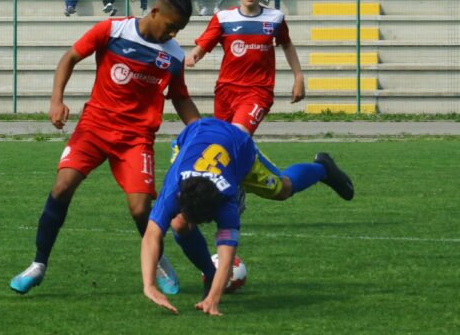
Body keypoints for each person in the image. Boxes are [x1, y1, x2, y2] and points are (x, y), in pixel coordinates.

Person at [9, 0, 201, 297]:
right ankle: (38, 264)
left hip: (136, 138)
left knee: (141, 209)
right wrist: (56, 100)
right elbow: (69, 57)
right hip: (95, 127)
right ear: (154, 12)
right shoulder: (113, 31)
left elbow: (180, 98)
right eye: (170, 26)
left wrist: (203, 130)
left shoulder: (174, 57)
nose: (173, 34)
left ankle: (160, 261)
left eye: (179, 29)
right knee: (61, 187)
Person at [141, 117, 354, 316]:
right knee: (178, 224)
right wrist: (149, 285)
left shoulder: (226, 202)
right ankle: (209, 275)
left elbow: (226, 256)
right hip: (194, 135)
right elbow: (151, 235)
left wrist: (214, 299)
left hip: (238, 147)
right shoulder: (173, 189)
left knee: (282, 189)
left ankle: (322, 168)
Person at [186, 0, 304, 135]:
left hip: (258, 91)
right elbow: (204, 45)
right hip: (225, 91)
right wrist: (194, 55)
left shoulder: (275, 18)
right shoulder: (223, 18)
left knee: (237, 135)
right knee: (222, 144)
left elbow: (286, 44)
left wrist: (298, 76)